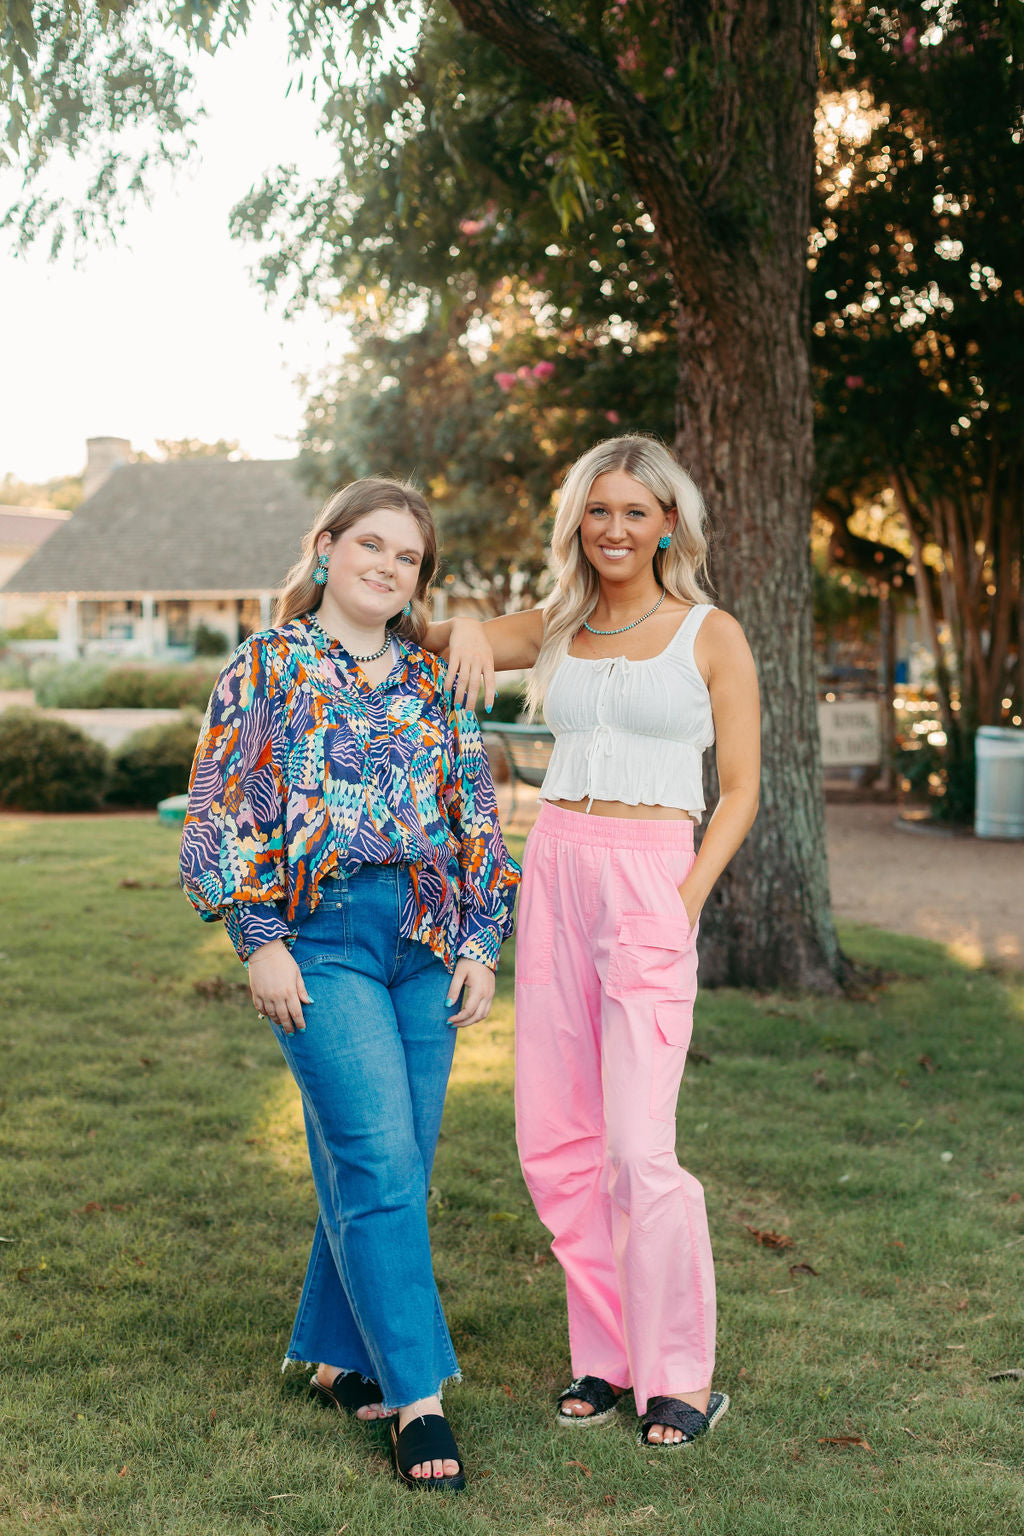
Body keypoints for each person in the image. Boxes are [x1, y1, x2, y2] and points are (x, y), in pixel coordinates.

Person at [180, 478, 520, 1493]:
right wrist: (258, 937)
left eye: (407, 556)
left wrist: (480, 944)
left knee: (396, 1166)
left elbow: (476, 816)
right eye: (369, 543)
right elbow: (219, 809)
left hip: (424, 940)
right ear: (325, 548)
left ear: (420, 578)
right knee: (374, 1154)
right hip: (319, 938)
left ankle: (337, 1357)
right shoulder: (267, 665)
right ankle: (419, 1401)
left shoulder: (431, 678)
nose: (385, 565)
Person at [428, 435, 760, 1448]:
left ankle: (681, 1377)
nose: (614, 528)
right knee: (555, 1140)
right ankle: (605, 1360)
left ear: (669, 525)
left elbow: (740, 788)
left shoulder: (711, 634)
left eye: (634, 511)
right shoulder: (560, 626)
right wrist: (473, 626)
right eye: (597, 510)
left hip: (653, 870)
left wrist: (686, 897)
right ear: (578, 520)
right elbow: (433, 634)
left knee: (636, 1148)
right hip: (558, 864)